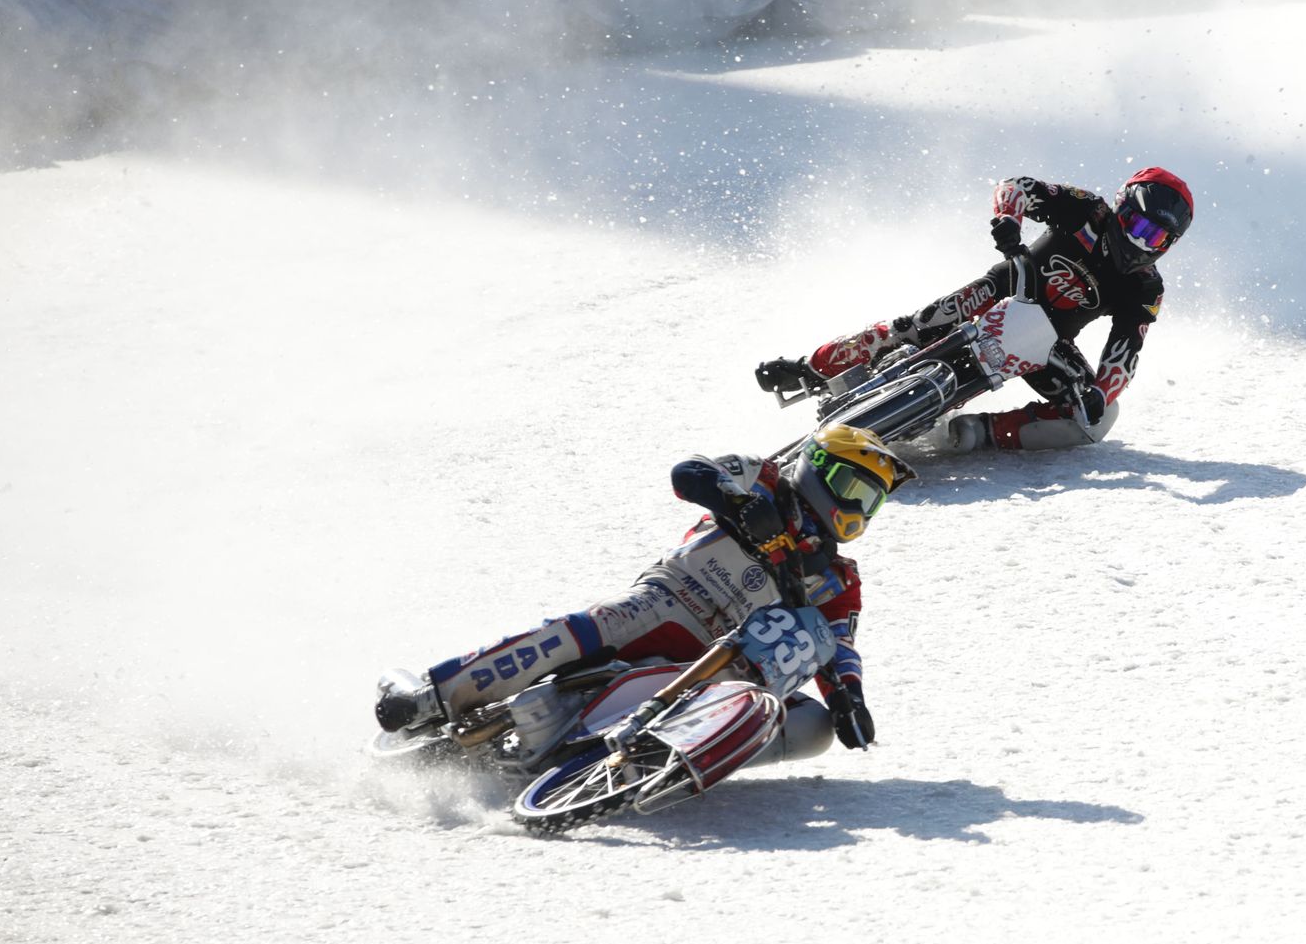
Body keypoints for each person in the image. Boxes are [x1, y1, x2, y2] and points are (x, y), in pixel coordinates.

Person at [372, 425, 913, 763]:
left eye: (871, 504)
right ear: (817, 469)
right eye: (854, 490)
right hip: (667, 600)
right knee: (586, 628)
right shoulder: (764, 480)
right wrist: (736, 501)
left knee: (810, 727)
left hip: (724, 656)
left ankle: (657, 763)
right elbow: (689, 473)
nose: (858, 511)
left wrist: (849, 699)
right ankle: (432, 694)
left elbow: (837, 643)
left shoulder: (839, 578)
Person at [756, 168, 1194, 454]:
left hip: (1046, 346)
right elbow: (1017, 186)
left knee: (1096, 422)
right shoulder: (1085, 208)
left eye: (1155, 239)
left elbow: (1125, 354)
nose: (1140, 243)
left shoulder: (1145, 288)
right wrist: (1008, 221)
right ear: (1120, 208)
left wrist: (1103, 393)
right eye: (1137, 226)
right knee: (913, 327)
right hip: (999, 291)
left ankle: (981, 432)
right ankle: (812, 369)